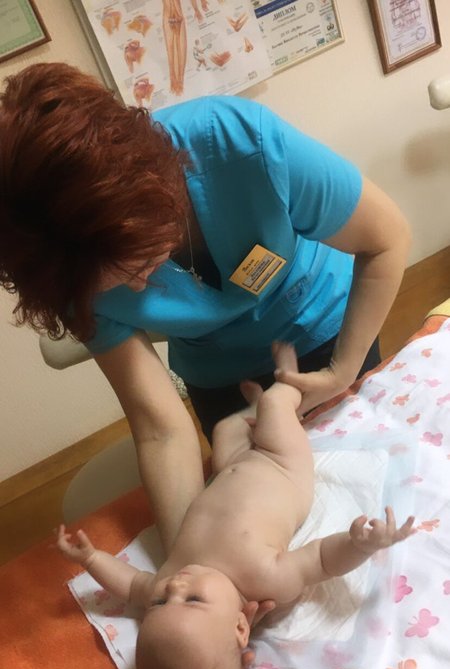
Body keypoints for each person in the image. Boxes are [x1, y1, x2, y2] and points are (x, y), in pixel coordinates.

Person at [0, 62, 411, 556]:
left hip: (328, 332)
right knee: (257, 519)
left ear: (147, 194)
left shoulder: (239, 143)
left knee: (368, 498)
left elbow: (386, 239)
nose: (139, 288)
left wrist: (341, 371)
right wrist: (188, 561)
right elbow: (159, 429)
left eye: (139, 263)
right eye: (113, 285)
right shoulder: (61, 269)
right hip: (220, 381)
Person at [57, 343, 415, 669]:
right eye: (193, 600)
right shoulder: (265, 579)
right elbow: (321, 560)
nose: (175, 587)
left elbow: (129, 585)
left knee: (225, 429)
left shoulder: (166, 583)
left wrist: (91, 559)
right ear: (240, 627)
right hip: (282, 464)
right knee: (276, 408)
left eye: (159, 603)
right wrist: (361, 544)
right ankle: (288, 383)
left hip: (230, 467)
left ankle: (257, 407)